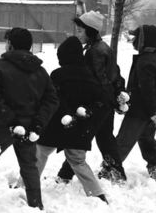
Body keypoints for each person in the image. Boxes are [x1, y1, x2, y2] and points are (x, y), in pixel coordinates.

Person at [0, 27, 59, 210]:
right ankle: (36, 204)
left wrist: (11, 120)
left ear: (10, 45)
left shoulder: (0, 67)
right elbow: (51, 100)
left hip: (5, 125)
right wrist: (37, 123)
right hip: (29, 127)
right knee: (29, 166)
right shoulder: (40, 71)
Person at [27, 36, 109, 203]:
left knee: (40, 153)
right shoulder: (91, 76)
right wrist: (87, 115)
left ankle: (26, 186)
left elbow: (52, 99)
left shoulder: (58, 75)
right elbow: (101, 101)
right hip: (80, 127)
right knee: (78, 161)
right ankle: (98, 195)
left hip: (56, 125)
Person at [56, 11, 128, 184]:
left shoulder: (94, 52)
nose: (78, 34)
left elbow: (94, 80)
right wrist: (116, 94)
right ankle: (116, 172)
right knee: (104, 137)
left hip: (99, 102)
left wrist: (92, 101)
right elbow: (115, 73)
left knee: (82, 136)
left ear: (91, 31)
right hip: (106, 100)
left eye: (80, 31)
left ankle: (65, 175)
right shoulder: (102, 48)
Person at [115, 25, 156, 182]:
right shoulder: (152, 58)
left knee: (123, 141)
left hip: (139, 111)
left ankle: (111, 168)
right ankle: (155, 167)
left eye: (137, 38)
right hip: (148, 109)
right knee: (147, 139)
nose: (134, 41)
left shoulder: (145, 61)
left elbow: (147, 90)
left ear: (144, 41)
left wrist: (153, 111)